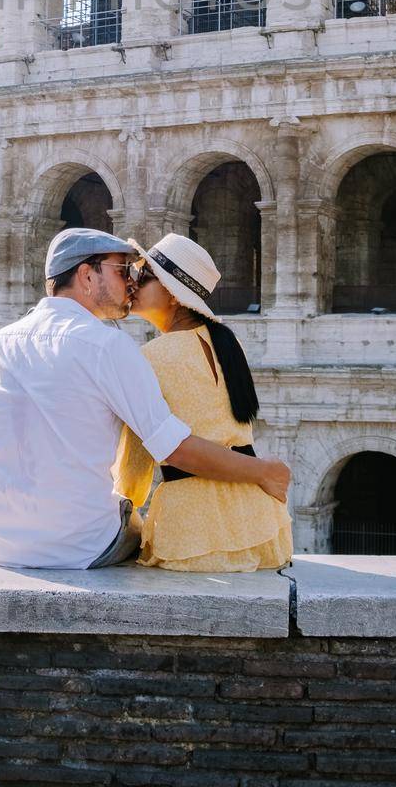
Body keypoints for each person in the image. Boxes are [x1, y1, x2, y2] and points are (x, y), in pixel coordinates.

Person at [0, 227, 291, 569]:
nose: (129, 282)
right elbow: (173, 448)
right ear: (87, 276)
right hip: (80, 546)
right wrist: (263, 471)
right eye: (121, 271)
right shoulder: (108, 346)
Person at [115, 233, 293, 571]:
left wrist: (128, 500)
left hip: (194, 524)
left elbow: (135, 464)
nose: (134, 282)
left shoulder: (151, 356)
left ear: (173, 294)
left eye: (145, 275)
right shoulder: (229, 342)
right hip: (257, 518)